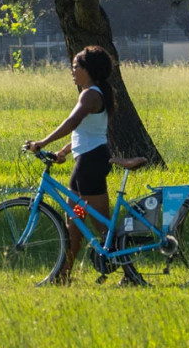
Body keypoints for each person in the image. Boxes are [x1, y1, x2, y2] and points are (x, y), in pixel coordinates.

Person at [25, 45, 115, 284]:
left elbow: (73, 121)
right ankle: (64, 274)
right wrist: (62, 151)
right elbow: (87, 132)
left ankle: (130, 272)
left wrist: (42, 142)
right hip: (84, 163)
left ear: (88, 69)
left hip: (90, 165)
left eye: (75, 66)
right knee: (74, 221)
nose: (72, 71)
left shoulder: (90, 94)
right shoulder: (91, 92)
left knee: (102, 225)